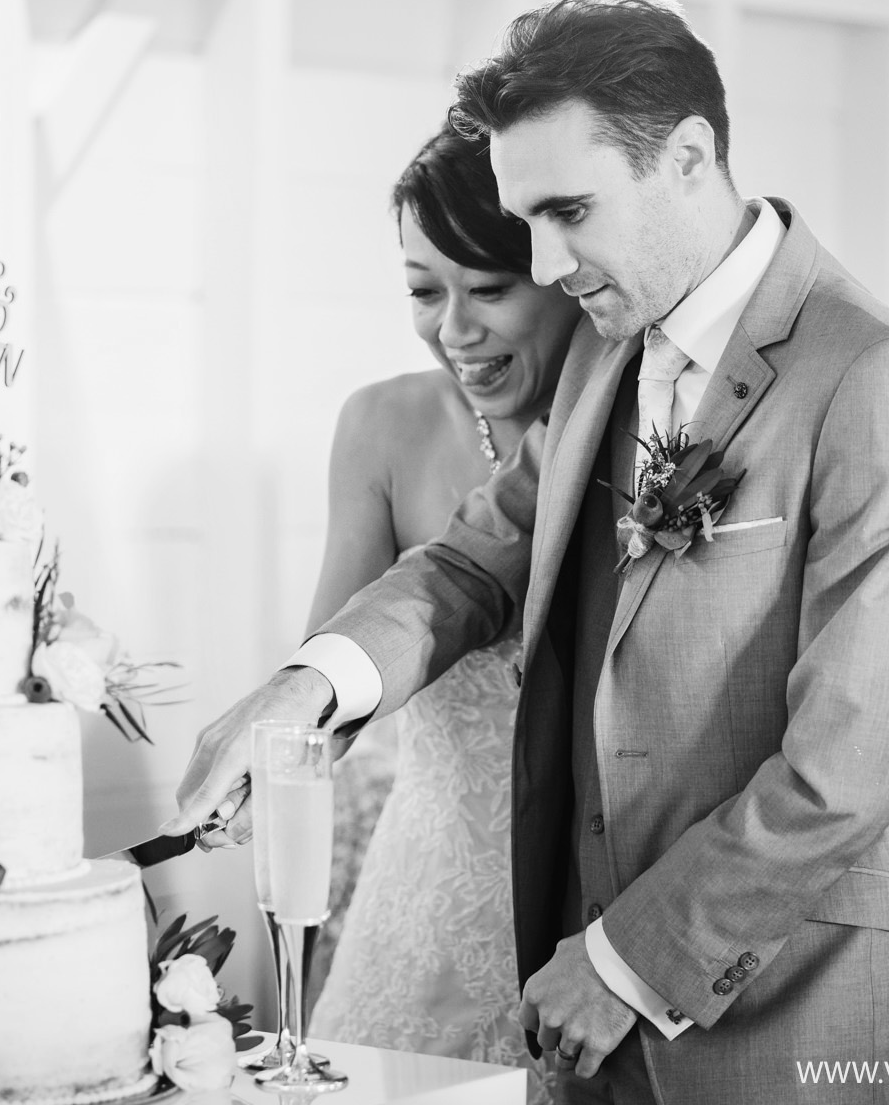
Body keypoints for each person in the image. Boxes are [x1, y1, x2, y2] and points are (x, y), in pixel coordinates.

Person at [168, 0, 889, 1104]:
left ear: (687, 156)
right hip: (573, 1030)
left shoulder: (878, 379)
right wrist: (309, 685)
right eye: (528, 220)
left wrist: (626, 961)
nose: (545, 265)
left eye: (570, 213)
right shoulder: (607, 352)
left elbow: (854, 765)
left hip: (783, 1032)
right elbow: (469, 562)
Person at [303, 122, 579, 1096]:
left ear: (562, 272)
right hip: (418, 912)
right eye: (426, 291)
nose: (455, 329)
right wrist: (277, 748)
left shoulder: (640, 429)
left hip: (587, 923)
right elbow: (335, 669)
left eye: (490, 290)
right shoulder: (381, 426)